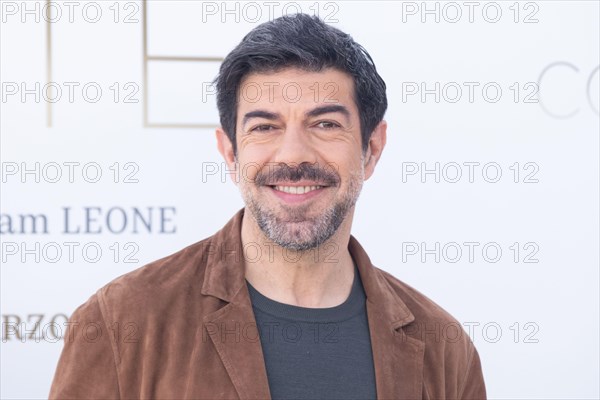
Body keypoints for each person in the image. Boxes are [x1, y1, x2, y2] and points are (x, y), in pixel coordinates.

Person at [50, 14, 486, 399]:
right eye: (264, 126)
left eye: (325, 124)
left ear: (372, 148)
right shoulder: (121, 323)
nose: (293, 155)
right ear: (231, 153)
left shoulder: (443, 348)